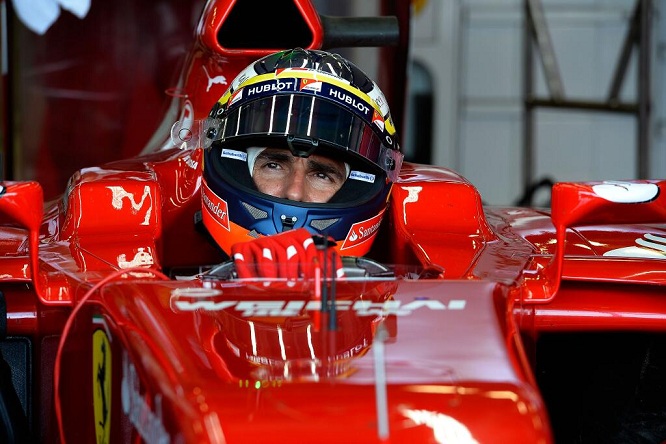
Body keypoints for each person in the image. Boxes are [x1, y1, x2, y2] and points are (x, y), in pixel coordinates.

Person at [198, 48, 403, 279]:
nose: (294, 193)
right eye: (274, 165)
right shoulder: (164, 293)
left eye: (322, 175)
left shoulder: (397, 302)